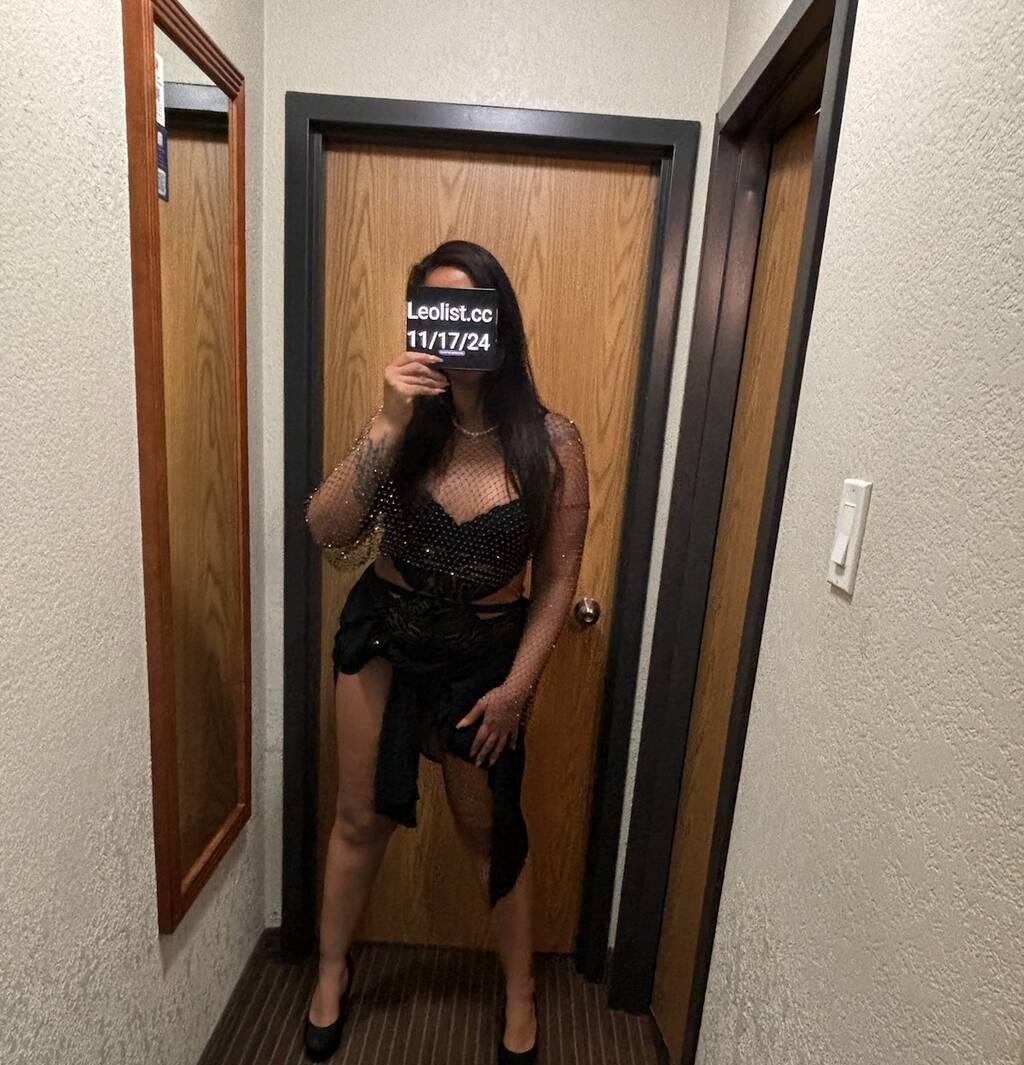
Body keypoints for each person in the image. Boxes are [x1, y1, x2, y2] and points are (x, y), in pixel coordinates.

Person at [301, 239, 589, 1064]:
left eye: (471, 307)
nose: (456, 325)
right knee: (359, 816)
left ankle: (520, 991)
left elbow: (557, 581)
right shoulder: (404, 426)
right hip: (385, 636)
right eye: (437, 307)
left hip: (485, 657)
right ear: (420, 320)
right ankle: (331, 971)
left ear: (500, 319)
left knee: (489, 829)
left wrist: (518, 688)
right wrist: (387, 420)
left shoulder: (551, 442)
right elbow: (327, 528)